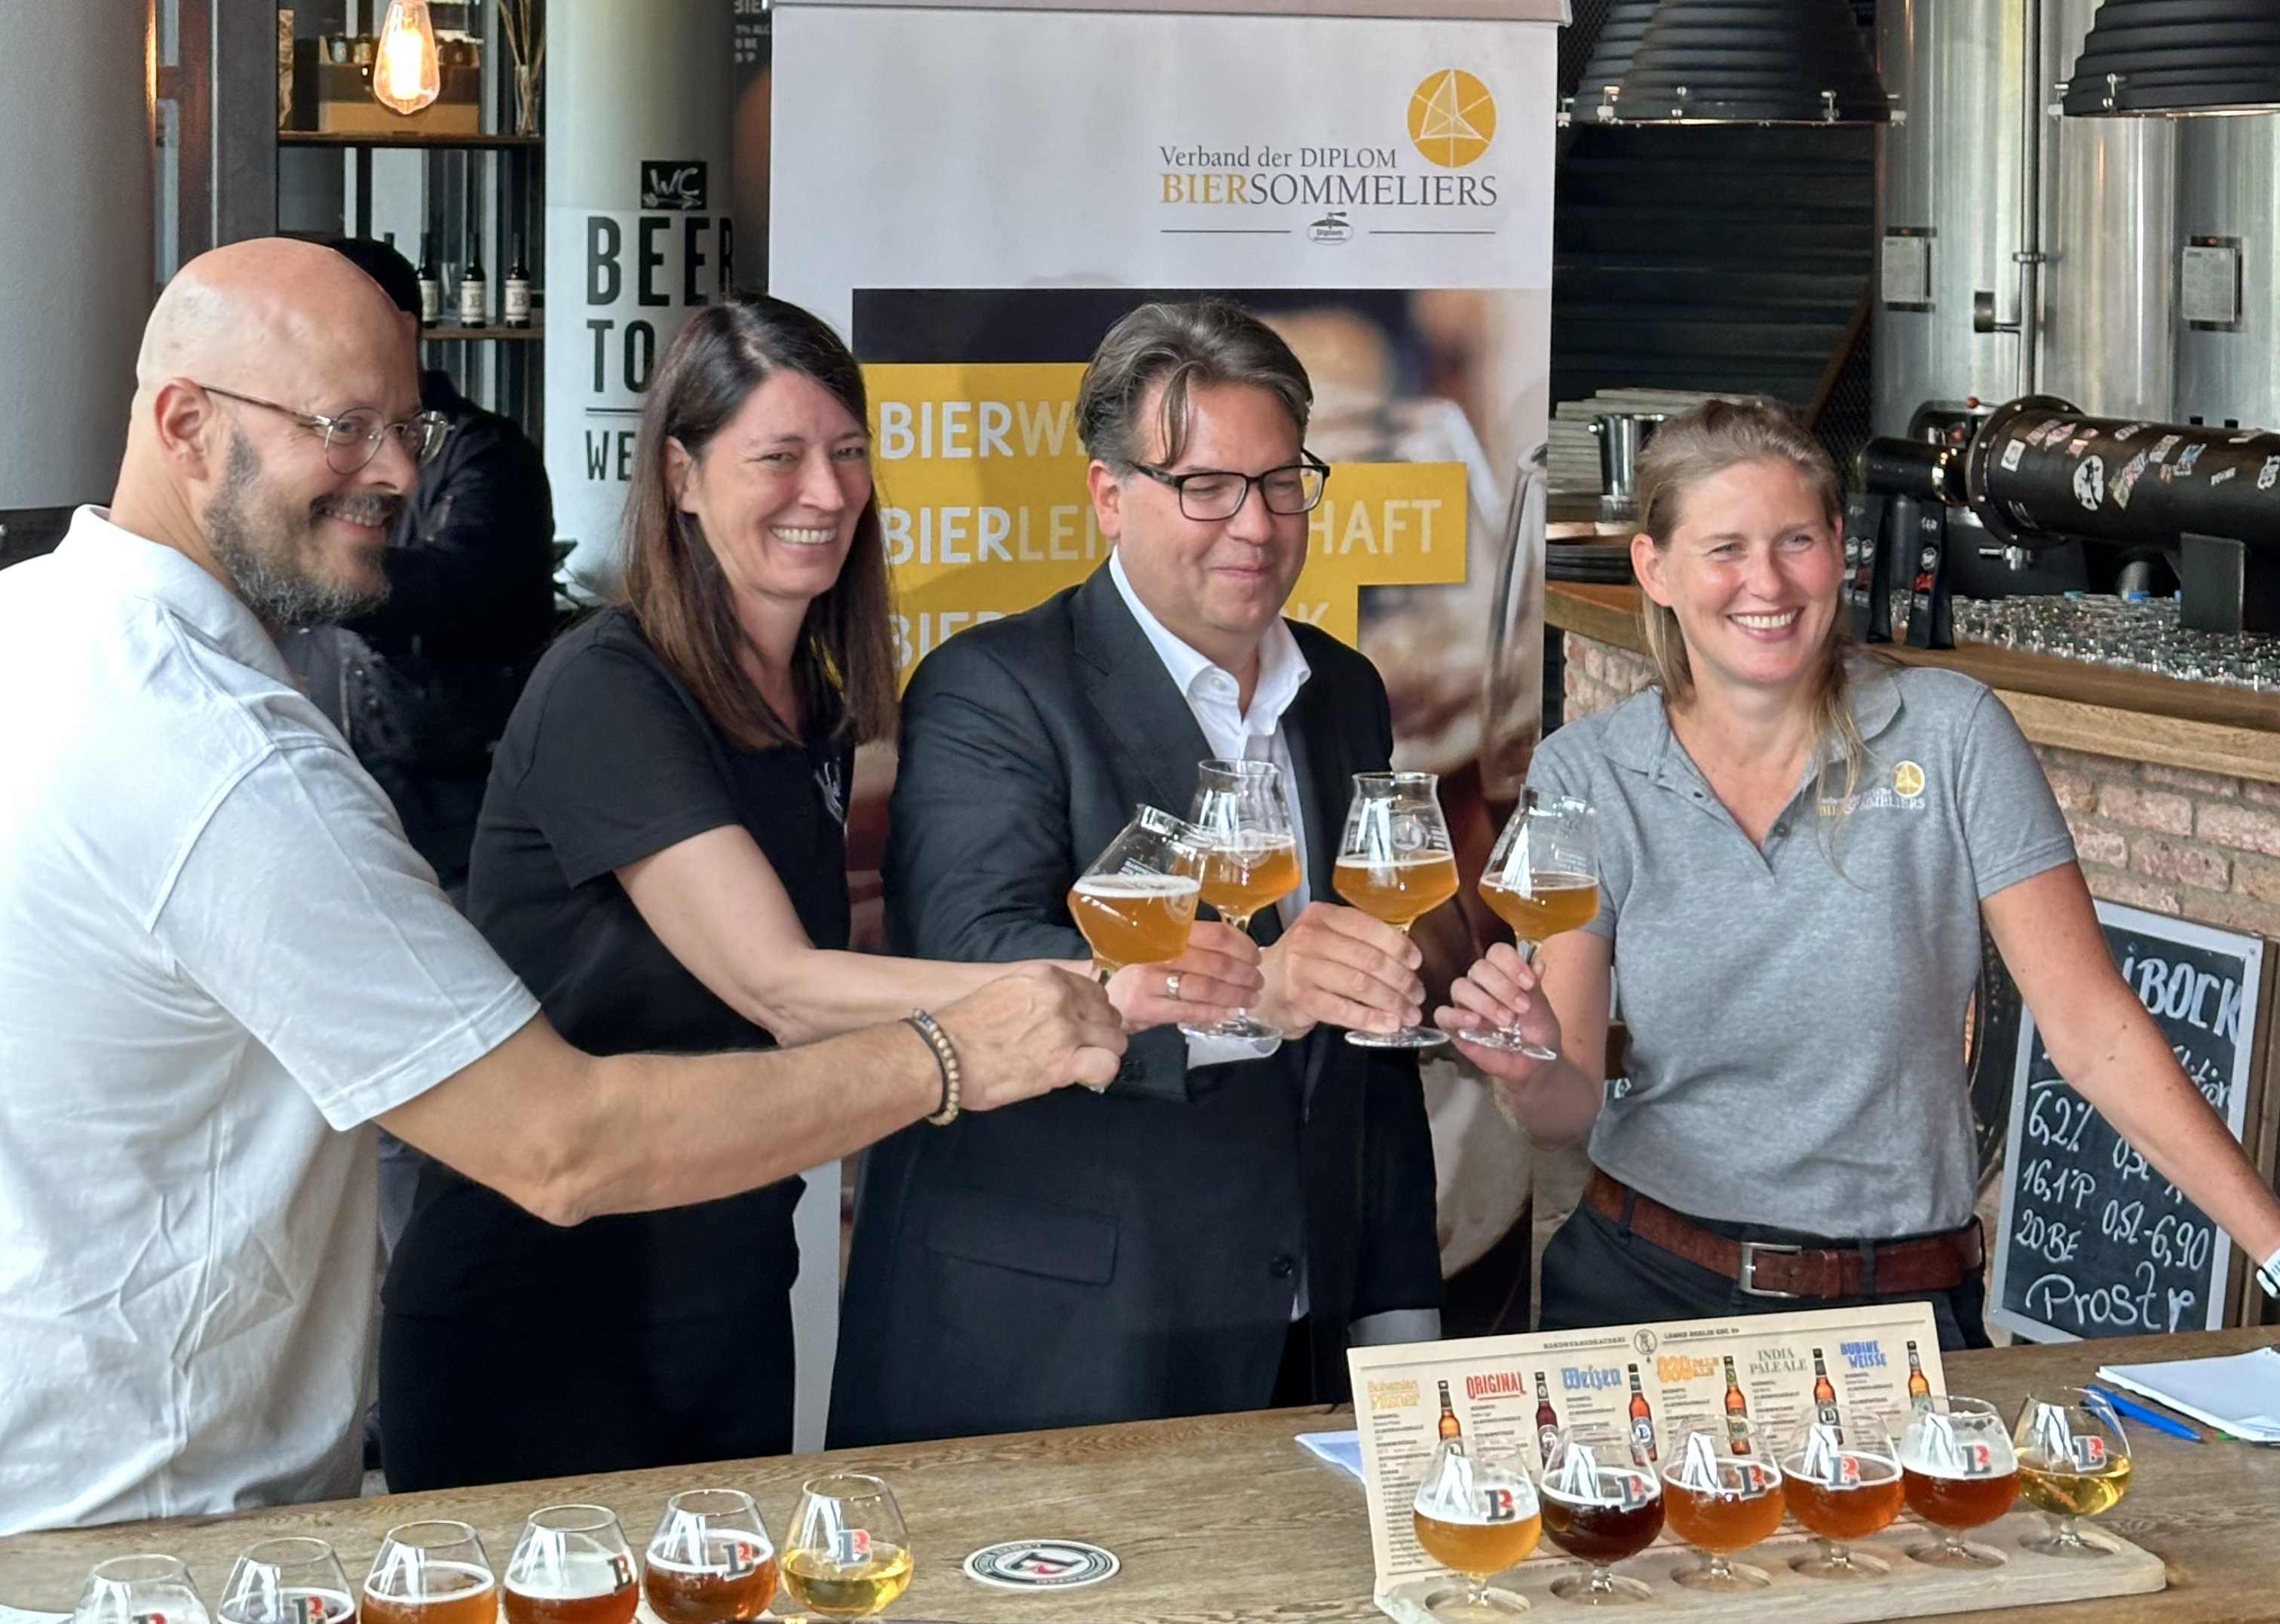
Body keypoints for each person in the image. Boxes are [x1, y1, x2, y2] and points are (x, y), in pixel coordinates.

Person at [0, 239, 1123, 1535]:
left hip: (102, 1475)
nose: (400, 471)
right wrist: (954, 1050)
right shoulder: (228, 756)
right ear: (185, 422)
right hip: (154, 1519)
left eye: (406, 423)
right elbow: (561, 1140)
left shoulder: (45, 626)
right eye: (342, 425)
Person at [376, 295, 1205, 1491]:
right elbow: (781, 987)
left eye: (848, 452)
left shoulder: (815, 702)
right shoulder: (611, 685)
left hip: (731, 1297)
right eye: (778, 456)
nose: (827, 490)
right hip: (539, 1317)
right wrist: (1087, 985)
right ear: (683, 475)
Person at [1436, 397, 2280, 1347]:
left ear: (1840, 548)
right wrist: (1524, 1063)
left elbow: (2094, 1035)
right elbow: (1566, 1106)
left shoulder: (1952, 734)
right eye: (1724, 549)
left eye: (1796, 539)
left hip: (1900, 1306)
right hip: (1649, 1293)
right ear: (1654, 569)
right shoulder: (1585, 772)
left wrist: (2276, 1248)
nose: (1766, 581)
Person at [831, 299, 1446, 1448]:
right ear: (1108, 495)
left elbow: (1362, 1029)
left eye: (1279, 481)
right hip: (1048, 1339)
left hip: (1296, 1335)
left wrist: (1397, 1304)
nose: (1254, 524)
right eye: (1205, 486)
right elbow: (971, 961)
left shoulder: (1345, 692)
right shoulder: (993, 687)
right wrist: (1254, 988)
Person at [287, 237, 559, 1266]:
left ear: (401, 328)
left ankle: (413, 1367)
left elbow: (477, 597)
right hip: (328, 801)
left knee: (423, 1101)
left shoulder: (480, 454)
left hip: (446, 815)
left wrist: (327, 564)